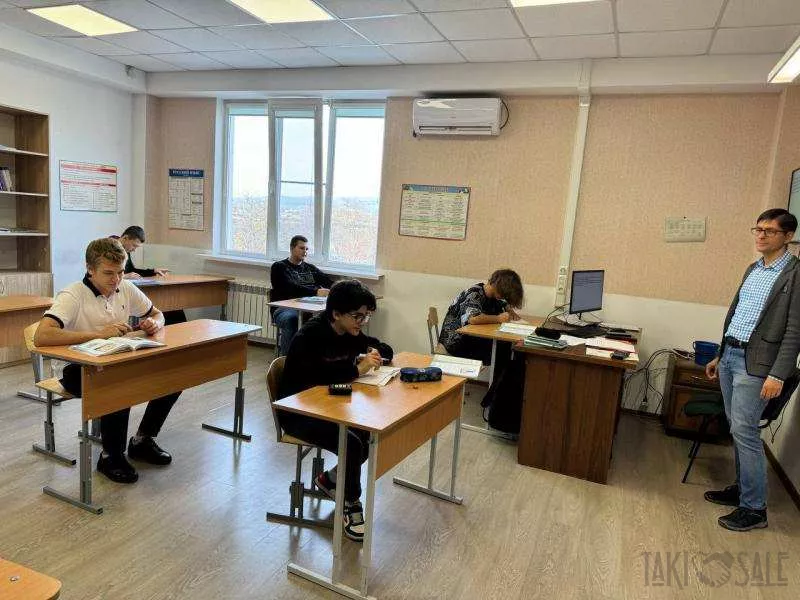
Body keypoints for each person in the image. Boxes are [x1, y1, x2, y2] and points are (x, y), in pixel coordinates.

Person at [34, 238, 181, 484]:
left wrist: (154, 323)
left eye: (121, 272)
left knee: (171, 377)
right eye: (109, 273)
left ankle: (142, 440)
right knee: (118, 383)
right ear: (90, 269)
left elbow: (157, 314)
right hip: (75, 368)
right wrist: (98, 334)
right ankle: (110, 456)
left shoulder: (125, 287)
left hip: (115, 360)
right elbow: (42, 336)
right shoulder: (73, 295)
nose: (116, 279)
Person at [705, 208, 800, 532]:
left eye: (769, 231)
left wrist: (777, 374)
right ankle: (742, 489)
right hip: (731, 355)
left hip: (758, 365)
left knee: (745, 431)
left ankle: (754, 509)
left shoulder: (794, 274)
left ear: (788, 236)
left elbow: (794, 331)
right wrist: (720, 354)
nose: (760, 235)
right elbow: (738, 315)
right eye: (757, 229)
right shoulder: (754, 268)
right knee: (737, 428)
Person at [278, 279, 393, 542]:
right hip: (298, 412)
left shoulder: (349, 332)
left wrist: (377, 352)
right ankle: (351, 504)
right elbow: (315, 378)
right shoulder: (310, 336)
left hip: (329, 407)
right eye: (357, 316)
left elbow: (378, 346)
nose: (361, 322)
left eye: (366, 316)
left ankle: (330, 480)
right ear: (336, 313)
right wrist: (357, 369)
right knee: (351, 443)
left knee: (365, 435)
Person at [438, 269, 524, 365]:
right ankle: (500, 375)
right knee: (503, 350)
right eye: (505, 294)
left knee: (512, 347)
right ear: (499, 287)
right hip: (456, 342)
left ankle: (505, 374)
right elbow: (473, 318)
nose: (505, 297)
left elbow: (503, 304)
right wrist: (499, 318)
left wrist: (510, 310)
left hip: (471, 338)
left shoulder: (493, 296)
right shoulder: (474, 293)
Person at [270, 235, 334, 355]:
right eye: (301, 248)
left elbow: (328, 282)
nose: (305, 252)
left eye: (306, 249)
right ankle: (286, 360)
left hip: (309, 309)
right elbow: (290, 288)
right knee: (292, 319)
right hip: (284, 309)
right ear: (292, 248)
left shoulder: (310, 268)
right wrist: (315, 292)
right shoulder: (279, 267)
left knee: (331, 319)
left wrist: (344, 289)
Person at [112, 226, 186, 325]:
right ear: (125, 238)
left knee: (172, 304)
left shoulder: (124, 248)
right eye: (134, 245)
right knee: (163, 302)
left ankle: (177, 328)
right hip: (118, 289)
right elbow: (104, 273)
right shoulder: (110, 247)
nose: (134, 250)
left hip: (131, 286)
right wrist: (124, 276)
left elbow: (132, 270)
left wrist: (153, 271)